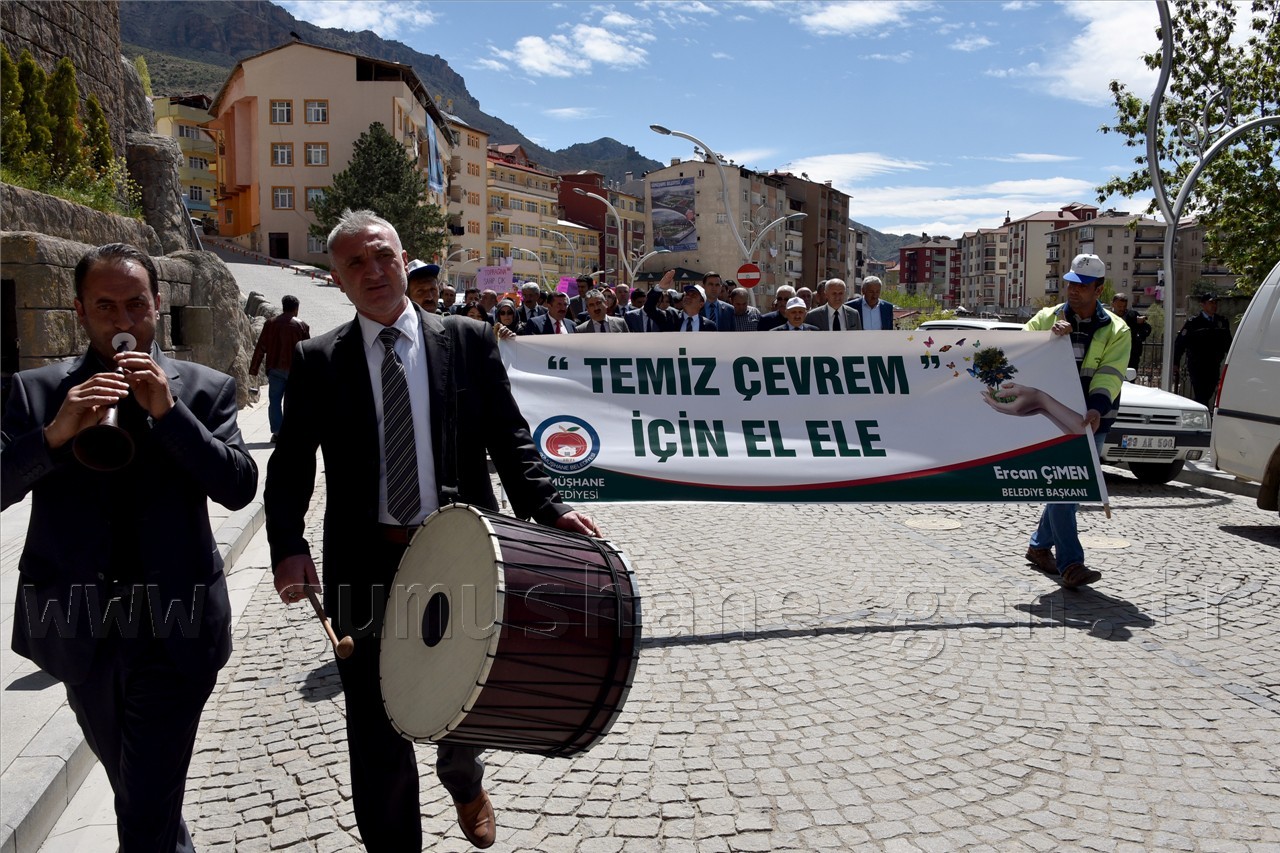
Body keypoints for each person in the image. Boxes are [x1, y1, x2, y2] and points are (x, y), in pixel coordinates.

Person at [264, 209, 599, 852]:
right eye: (355, 263)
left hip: (459, 552)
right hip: (365, 566)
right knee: (373, 718)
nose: (373, 271)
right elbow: (291, 464)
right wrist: (287, 546)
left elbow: (509, 439)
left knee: (460, 698)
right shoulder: (318, 359)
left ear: (404, 258)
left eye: (382, 255)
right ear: (336, 278)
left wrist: (550, 508)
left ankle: (464, 779)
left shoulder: (468, 341)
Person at [2, 242, 258, 850]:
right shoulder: (35, 391)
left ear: (158, 305)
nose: (123, 323)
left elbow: (238, 487)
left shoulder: (203, 388)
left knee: (143, 807)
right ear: (79, 311)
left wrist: (169, 416)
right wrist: (55, 434)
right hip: (77, 628)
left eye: (136, 305)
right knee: (140, 790)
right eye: (106, 307)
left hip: (176, 629)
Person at [1019, 253, 1130, 589]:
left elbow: (1110, 375)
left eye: (1082, 285)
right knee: (1066, 487)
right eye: (1070, 283)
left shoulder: (1116, 328)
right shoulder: (1045, 318)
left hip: (1094, 419)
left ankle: (1039, 546)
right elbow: (1019, 353)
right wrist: (1047, 340)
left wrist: (1096, 408)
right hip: (1052, 418)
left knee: (1067, 487)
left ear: (1098, 289)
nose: (1073, 290)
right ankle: (1071, 563)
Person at [249, 293, 311, 441]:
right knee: (294, 402)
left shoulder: (270, 324)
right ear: (296, 309)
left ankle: (277, 433)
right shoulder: (302, 326)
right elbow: (308, 350)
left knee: (275, 401)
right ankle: (292, 431)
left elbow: (260, 347)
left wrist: (254, 369)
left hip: (275, 368)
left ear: (283, 308)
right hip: (295, 371)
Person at [1173, 293, 1232, 407]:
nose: (1214, 305)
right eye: (1211, 303)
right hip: (1197, 365)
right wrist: (1176, 362)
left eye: (1215, 303)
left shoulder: (1221, 322)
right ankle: (1201, 415)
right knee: (1201, 393)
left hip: (1214, 364)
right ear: (1203, 305)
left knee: (1208, 392)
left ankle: (1197, 411)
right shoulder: (1193, 322)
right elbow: (1180, 343)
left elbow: (1228, 343)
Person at [1110, 293, 1151, 370]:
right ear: (1112, 304)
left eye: (1124, 306)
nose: (1122, 309)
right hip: (1112, 355)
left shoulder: (1132, 315)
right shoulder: (1107, 316)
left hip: (1131, 356)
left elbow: (1147, 329)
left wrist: (1140, 326)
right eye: (1119, 306)